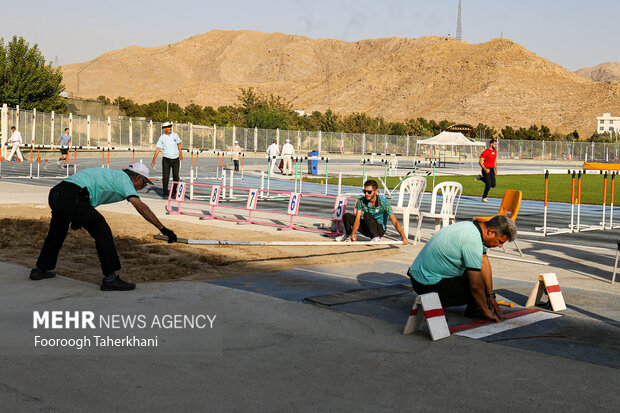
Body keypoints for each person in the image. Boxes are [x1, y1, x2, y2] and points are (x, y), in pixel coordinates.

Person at [30, 163, 178, 291]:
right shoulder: (125, 180)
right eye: (144, 184)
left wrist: (77, 217)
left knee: (56, 233)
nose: (142, 188)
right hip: (73, 196)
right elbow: (141, 207)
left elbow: (88, 192)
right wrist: (163, 229)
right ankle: (110, 279)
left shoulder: (113, 176)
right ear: (137, 178)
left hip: (57, 193)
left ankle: (41, 270)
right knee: (102, 231)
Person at [407, 215, 517, 322]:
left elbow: (484, 261)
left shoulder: (471, 227)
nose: (500, 246)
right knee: (477, 282)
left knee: (479, 275)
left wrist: (490, 295)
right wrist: (485, 308)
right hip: (426, 286)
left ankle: (478, 307)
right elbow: (475, 286)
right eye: (500, 241)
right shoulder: (472, 241)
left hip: (419, 277)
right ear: (491, 232)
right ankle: (478, 310)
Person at [336, 180, 409, 244]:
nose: (366, 194)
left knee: (367, 215)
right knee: (347, 216)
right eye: (364, 191)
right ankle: (348, 236)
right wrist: (353, 233)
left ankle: (376, 238)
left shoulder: (384, 203)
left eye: (369, 192)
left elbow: (395, 221)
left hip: (379, 229)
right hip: (368, 227)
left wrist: (403, 236)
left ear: (376, 191)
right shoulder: (361, 201)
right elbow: (357, 219)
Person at [151, 121, 183, 198]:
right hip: (166, 160)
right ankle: (165, 193)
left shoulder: (175, 135)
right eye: (168, 127)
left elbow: (179, 145)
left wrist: (180, 154)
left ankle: (174, 192)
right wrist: (154, 159)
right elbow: (158, 149)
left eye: (170, 127)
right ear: (164, 129)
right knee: (165, 177)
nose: (170, 128)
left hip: (175, 159)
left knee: (176, 176)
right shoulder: (162, 138)